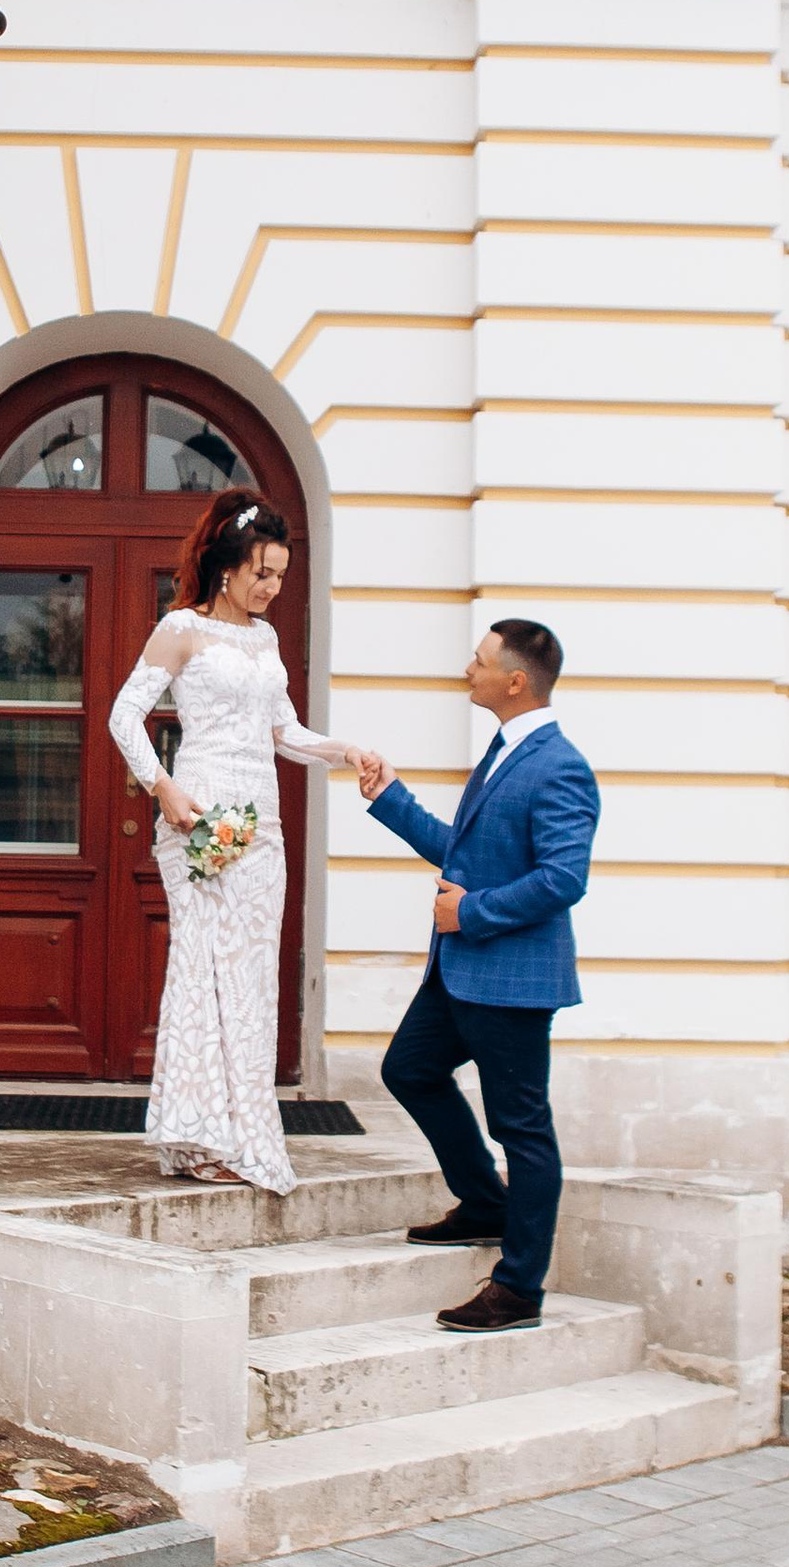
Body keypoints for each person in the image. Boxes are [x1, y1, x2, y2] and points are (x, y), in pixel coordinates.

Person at [107, 494, 358, 1196]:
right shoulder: (181, 630)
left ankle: (240, 1137)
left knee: (251, 984)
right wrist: (163, 788)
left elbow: (285, 733)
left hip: (262, 827)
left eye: (280, 575)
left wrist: (346, 752)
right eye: (261, 573)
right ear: (225, 567)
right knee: (203, 968)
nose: (272, 588)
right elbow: (124, 717)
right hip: (201, 821)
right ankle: (198, 1137)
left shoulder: (268, 640)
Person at [356, 620, 598, 1330]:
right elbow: (462, 852)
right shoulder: (502, 750)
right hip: (461, 972)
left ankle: (519, 1288)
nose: (469, 668)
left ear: (515, 680)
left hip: (513, 979)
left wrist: (474, 914)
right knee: (409, 1070)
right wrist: (389, 798)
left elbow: (563, 879)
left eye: (480, 659)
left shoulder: (560, 765)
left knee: (522, 1129)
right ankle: (484, 1203)